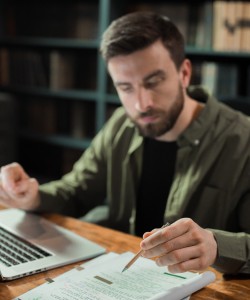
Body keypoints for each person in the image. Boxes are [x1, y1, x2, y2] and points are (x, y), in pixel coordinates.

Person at [0, 11, 250, 275]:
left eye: (153, 81)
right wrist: (31, 195)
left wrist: (216, 245)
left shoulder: (243, 140)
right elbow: (75, 192)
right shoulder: (122, 123)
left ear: (185, 73)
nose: (142, 104)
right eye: (125, 88)